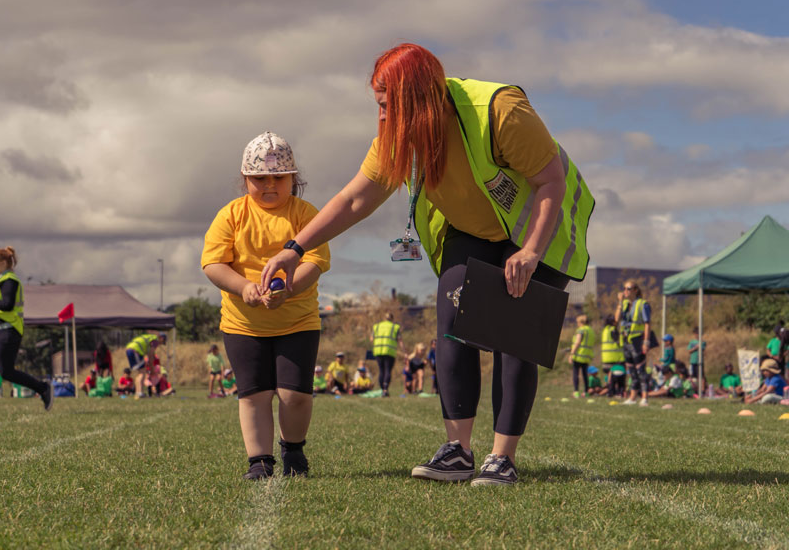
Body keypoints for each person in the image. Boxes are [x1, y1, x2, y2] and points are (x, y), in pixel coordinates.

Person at [260, 43, 593, 486]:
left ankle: (502, 458)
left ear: (414, 101)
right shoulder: (394, 137)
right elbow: (356, 198)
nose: (380, 118)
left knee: (515, 338)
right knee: (453, 323)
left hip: (535, 226)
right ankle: (458, 451)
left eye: (385, 106)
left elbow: (551, 180)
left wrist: (530, 251)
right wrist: (294, 248)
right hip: (470, 227)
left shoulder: (500, 110)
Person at [201, 131, 331, 480]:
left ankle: (293, 452)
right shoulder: (231, 215)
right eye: (259, 178)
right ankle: (259, 461)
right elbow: (213, 264)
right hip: (243, 325)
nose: (269, 184)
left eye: (279, 177)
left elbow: (314, 262)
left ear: (294, 179)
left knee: (294, 395)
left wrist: (288, 290)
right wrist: (243, 288)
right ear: (245, 180)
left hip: (298, 321)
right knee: (253, 395)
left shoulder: (306, 214)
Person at [0, 246, 53, 416]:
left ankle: (43, 388)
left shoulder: (10, 280)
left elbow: (6, 305)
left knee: (6, 371)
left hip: (7, 330)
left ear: (4, 263)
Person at [616, 281, 652, 407]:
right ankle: (632, 397)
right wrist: (620, 303)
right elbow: (616, 320)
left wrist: (646, 342)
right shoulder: (625, 303)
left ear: (635, 290)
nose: (625, 291)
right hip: (626, 340)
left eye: (628, 288)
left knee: (640, 370)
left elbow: (647, 324)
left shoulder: (643, 304)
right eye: (624, 288)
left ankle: (644, 397)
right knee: (631, 370)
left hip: (638, 340)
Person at [370, 312, 404, 397]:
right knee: (388, 370)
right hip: (389, 351)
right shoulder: (395, 327)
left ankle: (382, 389)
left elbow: (371, 339)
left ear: (384, 318)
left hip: (378, 350)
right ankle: (385, 389)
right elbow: (400, 340)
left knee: (381, 370)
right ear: (392, 319)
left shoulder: (376, 326)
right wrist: (404, 351)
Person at [125, 332, 166, 397]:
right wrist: (152, 371)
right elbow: (151, 355)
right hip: (135, 350)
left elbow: (149, 354)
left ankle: (138, 393)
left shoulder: (150, 337)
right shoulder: (155, 340)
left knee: (140, 373)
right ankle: (139, 393)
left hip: (128, 349)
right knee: (142, 372)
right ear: (161, 338)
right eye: (162, 341)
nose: (160, 344)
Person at [568, 314, 595, 398]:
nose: (577, 324)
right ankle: (586, 392)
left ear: (581, 322)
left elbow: (578, 342)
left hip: (578, 355)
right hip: (586, 356)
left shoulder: (581, 330)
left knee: (575, 374)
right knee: (585, 375)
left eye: (577, 322)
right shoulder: (590, 330)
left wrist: (572, 353)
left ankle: (576, 392)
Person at [600, 315, 624, 383]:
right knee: (616, 373)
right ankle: (612, 388)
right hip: (614, 357)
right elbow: (618, 341)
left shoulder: (605, 330)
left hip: (606, 357)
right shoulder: (613, 329)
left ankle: (609, 388)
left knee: (609, 374)